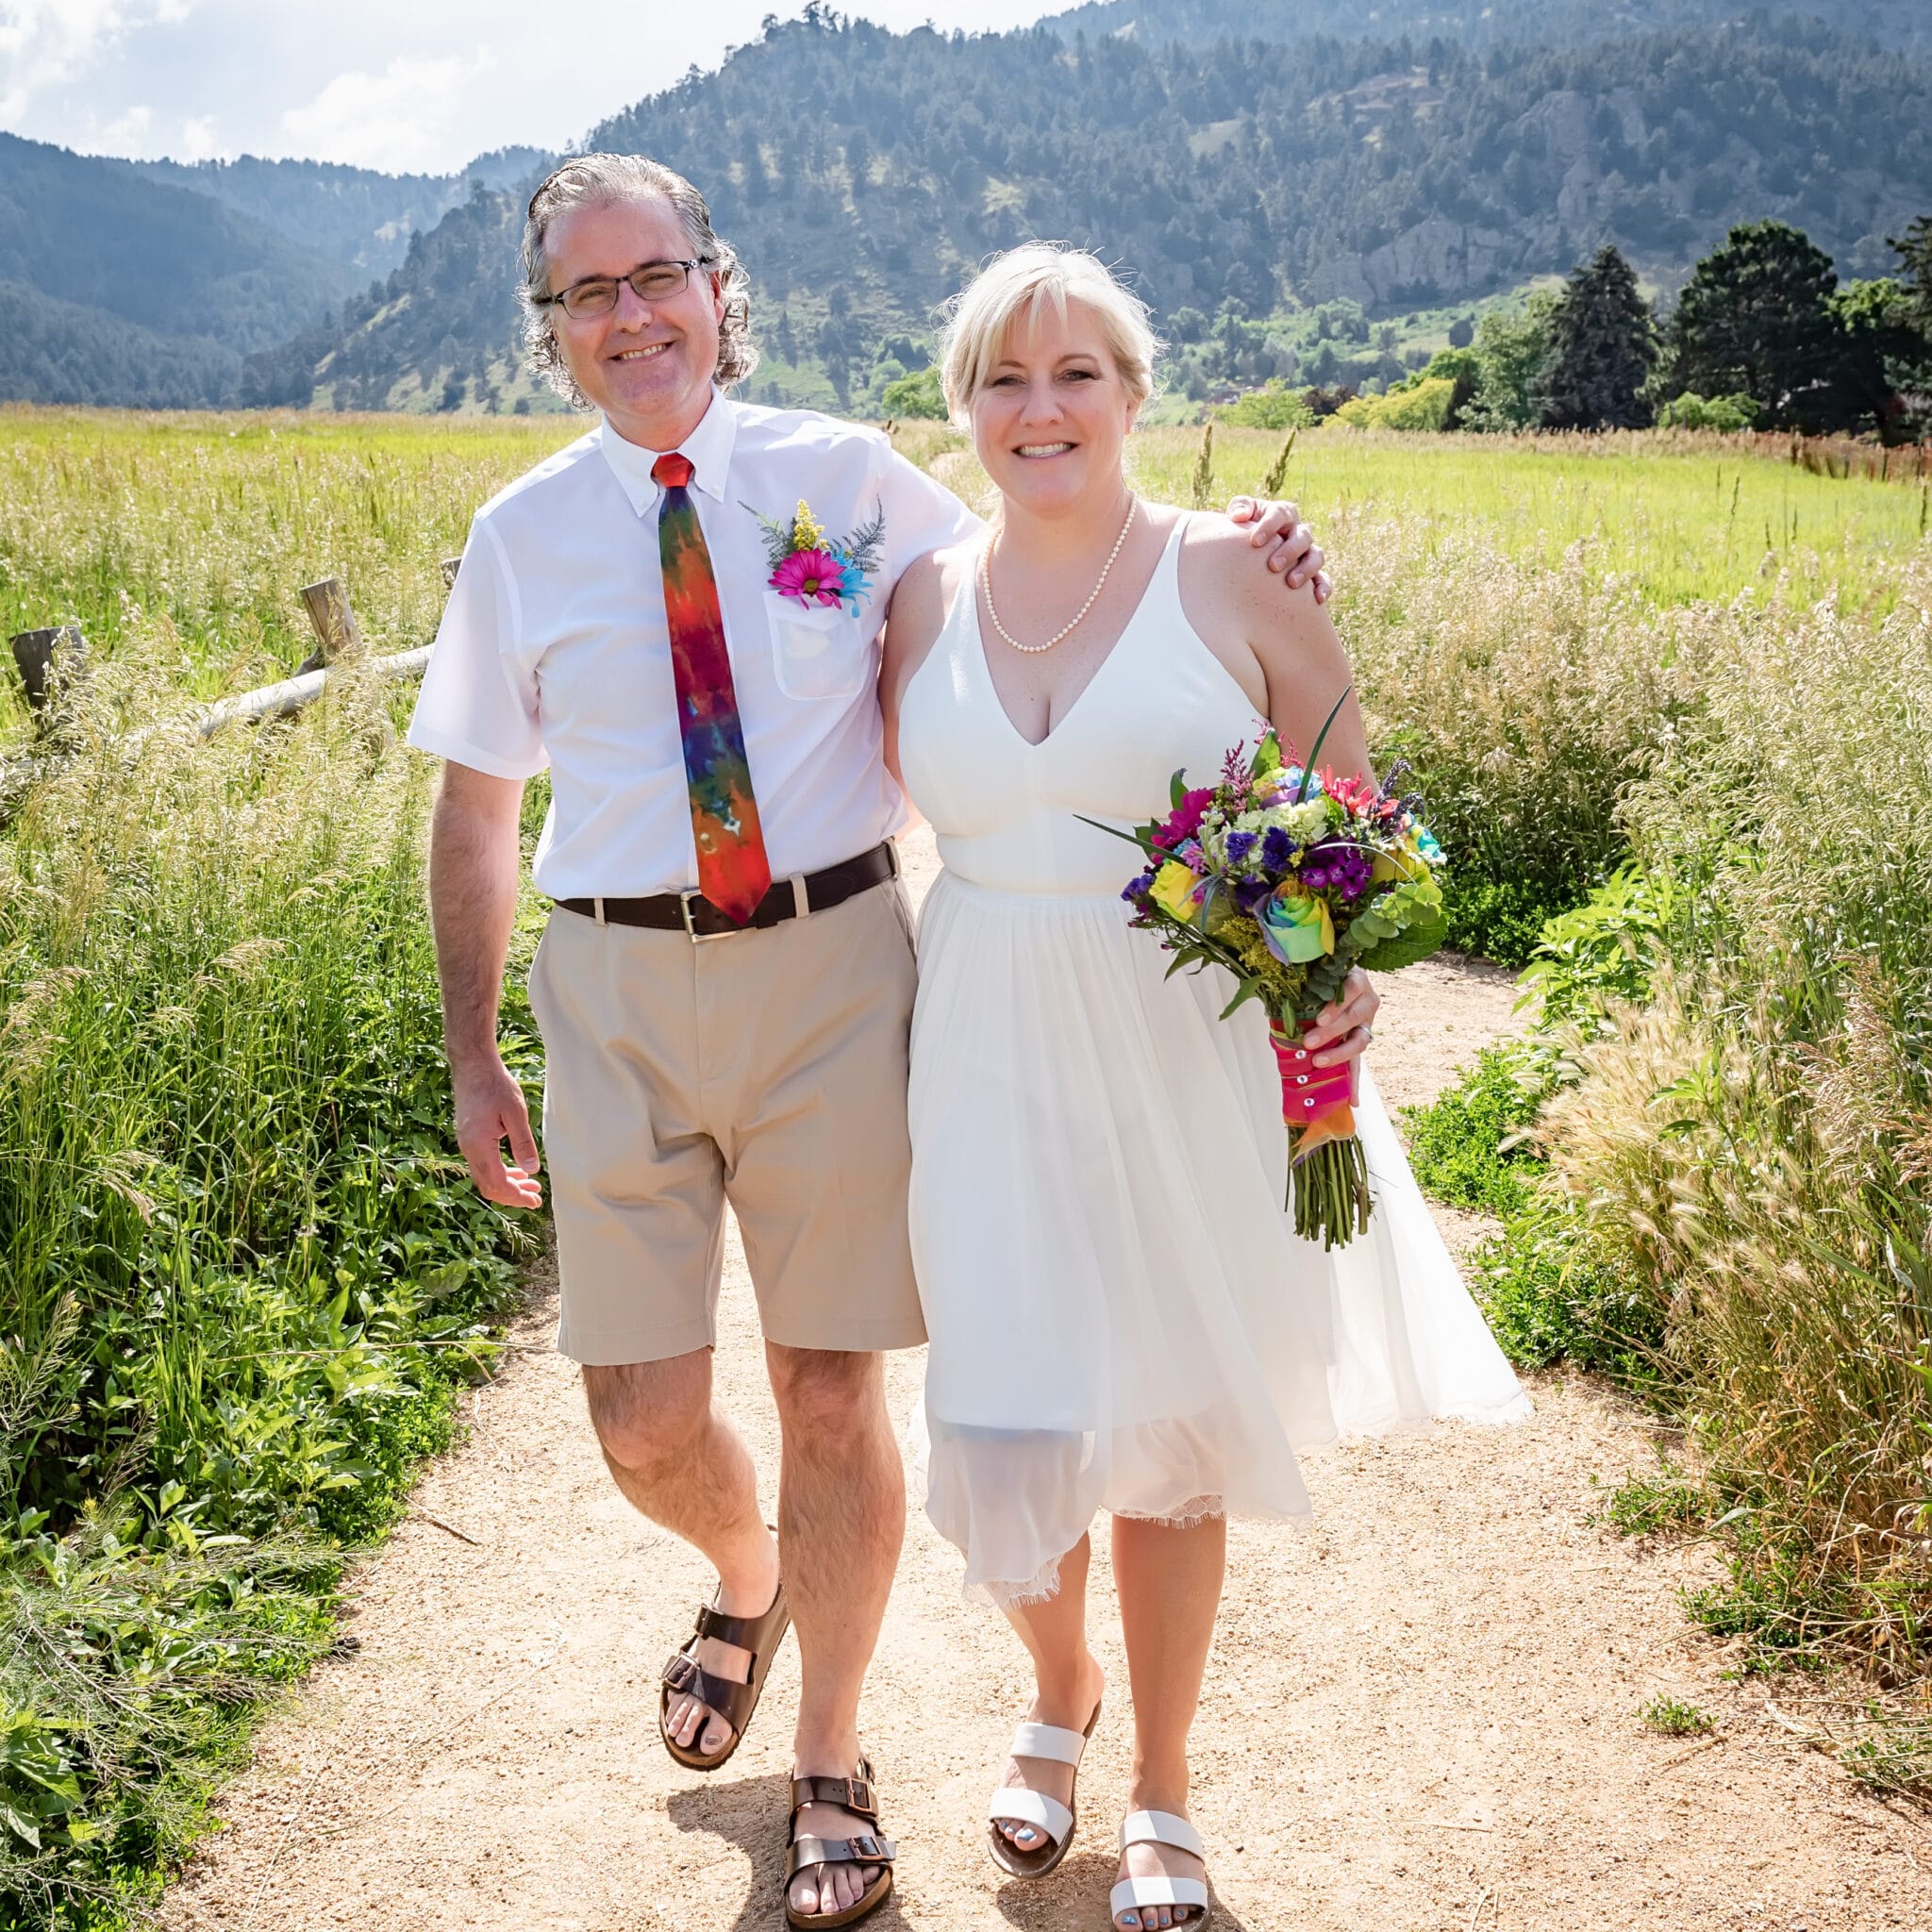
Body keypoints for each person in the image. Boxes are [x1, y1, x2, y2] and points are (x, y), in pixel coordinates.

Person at [407, 157, 1334, 1927]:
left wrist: (1261, 553)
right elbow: (469, 816)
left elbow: (1051, 531)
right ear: (553, 334)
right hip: (611, 984)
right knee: (637, 1422)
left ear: (714, 285)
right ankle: (744, 1572)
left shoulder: (847, 483)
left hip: (838, 960)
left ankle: (831, 1753)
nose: (631, 316)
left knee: (833, 1383)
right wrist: (471, 1049)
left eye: (656, 274)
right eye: (587, 295)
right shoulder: (520, 535)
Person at [881, 244, 1532, 1932]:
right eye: (1005, 379)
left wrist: (1349, 959)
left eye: (1076, 372)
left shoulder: (1235, 574)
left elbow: (1366, 814)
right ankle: (1059, 1683)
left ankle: (1161, 1783)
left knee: (1166, 1428)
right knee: (1013, 1412)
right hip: (982, 1041)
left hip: (1181, 1042)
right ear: (962, 407)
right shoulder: (920, 598)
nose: (1042, 409)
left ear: (1135, 393)